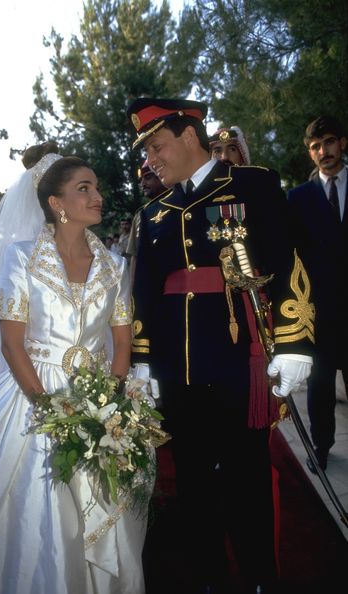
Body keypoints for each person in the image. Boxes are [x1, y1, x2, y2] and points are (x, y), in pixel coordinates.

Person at [126, 97, 315, 594]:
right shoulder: (154, 213)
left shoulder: (252, 185)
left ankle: (259, 578)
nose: (151, 162)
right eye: (147, 155)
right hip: (177, 371)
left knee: (246, 480)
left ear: (189, 136)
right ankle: (208, 578)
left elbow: (287, 262)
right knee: (191, 484)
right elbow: (143, 293)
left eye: (157, 148)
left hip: (236, 363)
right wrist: (142, 362)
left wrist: (294, 343)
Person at [0, 142, 150, 594]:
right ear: (56, 204)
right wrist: (51, 410)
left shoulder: (115, 263)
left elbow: (122, 340)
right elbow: (11, 344)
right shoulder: (20, 257)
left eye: (97, 187)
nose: (97, 196)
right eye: (85, 188)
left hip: (100, 392)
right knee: (32, 513)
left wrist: (111, 405)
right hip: (31, 392)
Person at [287, 115, 348, 473]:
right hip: (320, 313)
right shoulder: (299, 198)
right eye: (315, 146)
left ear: (342, 142)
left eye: (328, 141)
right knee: (320, 386)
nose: (323, 151)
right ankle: (321, 447)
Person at [126, 159, 169, 285]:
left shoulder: (180, 206)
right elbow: (135, 257)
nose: (143, 183)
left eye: (148, 177)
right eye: (141, 180)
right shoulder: (140, 214)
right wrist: (132, 290)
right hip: (148, 283)